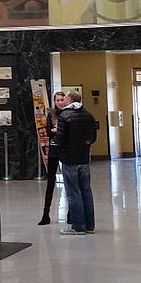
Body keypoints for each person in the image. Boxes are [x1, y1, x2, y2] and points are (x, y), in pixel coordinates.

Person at [56, 90, 97, 235]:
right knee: (86, 190)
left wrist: (57, 143)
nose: (64, 100)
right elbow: (93, 137)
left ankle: (78, 226)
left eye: (65, 97)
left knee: (73, 192)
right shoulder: (88, 115)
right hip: (84, 158)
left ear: (70, 99)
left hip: (69, 158)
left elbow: (60, 138)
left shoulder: (65, 115)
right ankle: (89, 225)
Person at [38, 89, 68, 225]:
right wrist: (55, 131)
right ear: (54, 101)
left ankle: (71, 213)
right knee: (50, 182)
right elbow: (48, 131)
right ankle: (46, 214)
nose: (60, 102)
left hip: (65, 150)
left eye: (62, 100)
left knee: (69, 182)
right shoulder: (51, 115)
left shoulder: (68, 114)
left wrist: (57, 131)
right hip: (54, 150)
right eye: (58, 100)